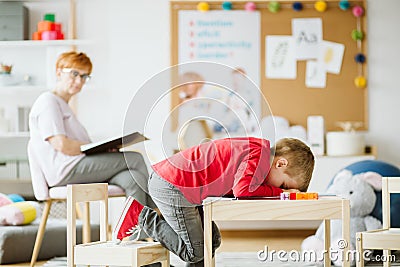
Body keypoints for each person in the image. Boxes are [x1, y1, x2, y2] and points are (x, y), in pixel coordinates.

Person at [114, 137, 315, 266]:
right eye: (284, 185)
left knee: (211, 240)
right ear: (280, 163)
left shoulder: (257, 152)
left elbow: (232, 185)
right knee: (195, 251)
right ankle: (142, 216)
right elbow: (242, 190)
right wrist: (278, 193)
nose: (281, 190)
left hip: (183, 186)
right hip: (174, 186)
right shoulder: (260, 157)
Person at [28, 51, 156, 239]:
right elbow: (61, 145)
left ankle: (136, 240)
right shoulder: (48, 102)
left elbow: (74, 145)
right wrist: (92, 149)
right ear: (58, 72)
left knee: (133, 177)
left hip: (77, 165)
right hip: (66, 169)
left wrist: (101, 150)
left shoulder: (63, 105)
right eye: (74, 74)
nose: (79, 81)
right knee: (135, 158)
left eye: (84, 76)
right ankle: (158, 219)